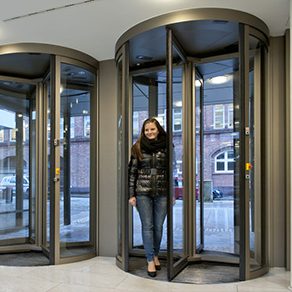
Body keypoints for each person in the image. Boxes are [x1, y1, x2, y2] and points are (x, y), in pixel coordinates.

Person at [128, 118, 167, 277]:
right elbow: (131, 173)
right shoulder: (137, 147)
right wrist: (131, 194)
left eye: (152, 129)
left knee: (158, 226)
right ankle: (150, 260)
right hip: (142, 191)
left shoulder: (166, 146)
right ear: (143, 132)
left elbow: (171, 170)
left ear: (158, 129)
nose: (149, 132)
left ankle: (156, 254)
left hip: (162, 191)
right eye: (146, 130)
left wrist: (173, 194)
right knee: (147, 226)